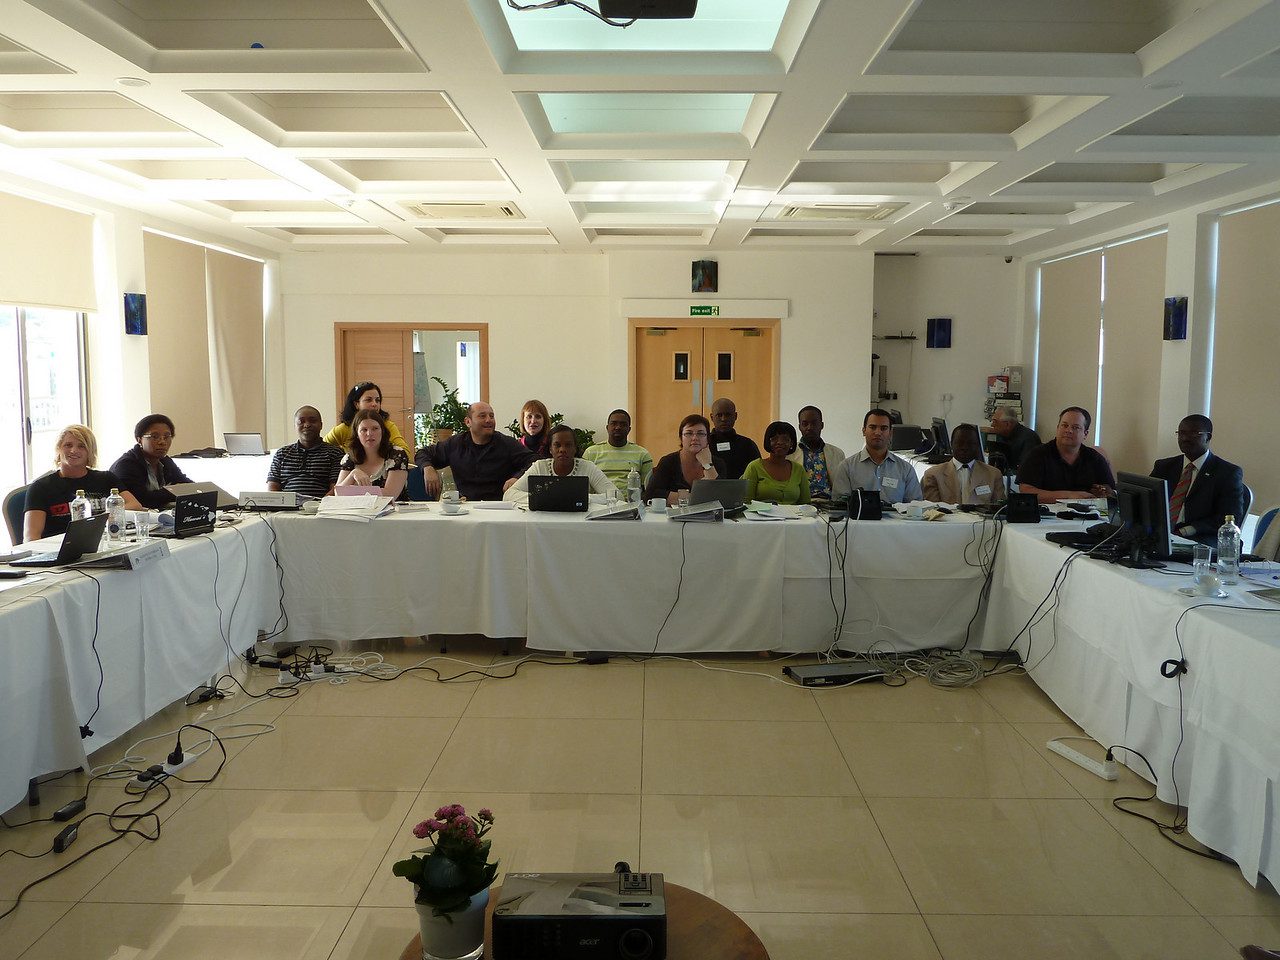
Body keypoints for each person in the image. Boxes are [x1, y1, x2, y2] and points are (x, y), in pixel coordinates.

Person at [23, 425, 143, 541]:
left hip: (103, 543)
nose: (74, 450)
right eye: (68, 445)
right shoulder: (40, 487)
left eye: (82, 446)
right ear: (58, 449)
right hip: (61, 551)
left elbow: (135, 506)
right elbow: (31, 537)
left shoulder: (106, 478)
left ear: (90, 452)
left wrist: (102, 518)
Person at [1150, 414, 1244, 546]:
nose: (1185, 438)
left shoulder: (1227, 473)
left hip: (1200, 537)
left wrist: (1186, 530)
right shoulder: (1164, 466)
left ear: (1208, 437)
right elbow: (1146, 499)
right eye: (1181, 433)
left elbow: (1229, 519)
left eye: (1194, 434)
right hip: (1160, 533)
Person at [415, 401, 535, 501]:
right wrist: (428, 468)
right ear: (468, 422)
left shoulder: (507, 443)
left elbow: (536, 461)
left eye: (491, 416)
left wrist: (518, 478)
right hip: (466, 507)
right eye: (482, 416)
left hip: (500, 507)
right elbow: (422, 453)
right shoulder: (455, 443)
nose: (488, 420)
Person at [1016, 406, 1115, 504]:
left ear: (1085, 434)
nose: (1069, 430)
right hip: (1046, 516)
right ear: (1058, 428)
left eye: (1075, 427)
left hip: (1087, 516)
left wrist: (1104, 492)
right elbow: (1026, 491)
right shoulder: (1037, 454)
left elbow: (1111, 491)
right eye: (1064, 425)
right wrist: (1069, 496)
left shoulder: (1095, 458)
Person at [504, 424, 614, 503]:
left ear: (575, 448)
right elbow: (509, 495)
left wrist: (581, 498)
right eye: (557, 445)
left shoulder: (588, 467)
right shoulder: (539, 467)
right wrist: (543, 497)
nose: (562, 449)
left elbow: (616, 495)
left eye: (568, 445)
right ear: (550, 449)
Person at [832, 409, 923, 504]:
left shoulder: (905, 469)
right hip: (860, 518)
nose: (878, 432)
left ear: (890, 433)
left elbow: (915, 505)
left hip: (896, 519)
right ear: (864, 431)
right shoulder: (847, 467)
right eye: (873, 427)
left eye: (883, 428)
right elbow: (839, 505)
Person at [110, 414, 194, 508]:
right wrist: (174, 491)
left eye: (166, 436)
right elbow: (141, 500)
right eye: (155, 436)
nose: (162, 442)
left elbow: (189, 486)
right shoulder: (126, 465)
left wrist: (177, 490)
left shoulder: (165, 461)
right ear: (139, 440)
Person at [644, 414, 728, 507]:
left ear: (707, 439)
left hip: (708, 519)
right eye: (689, 433)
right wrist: (694, 498)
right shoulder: (668, 461)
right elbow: (650, 495)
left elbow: (722, 498)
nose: (695, 438)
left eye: (700, 433)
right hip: (673, 519)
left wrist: (708, 465)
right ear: (681, 438)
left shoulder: (718, 463)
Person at [266, 405, 344, 499]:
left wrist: (318, 505)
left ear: (321, 425)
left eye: (312, 421)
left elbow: (336, 488)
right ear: (295, 426)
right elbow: (272, 489)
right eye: (301, 421)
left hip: (320, 508)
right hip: (286, 510)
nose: (307, 425)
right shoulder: (282, 453)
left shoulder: (335, 453)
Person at [922, 423, 1005, 505]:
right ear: (951, 445)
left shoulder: (993, 475)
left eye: (970, 443)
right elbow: (933, 511)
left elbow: (999, 511)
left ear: (977, 446)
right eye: (960, 443)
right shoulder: (934, 475)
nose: (965, 447)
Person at [323, 381, 411, 455]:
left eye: (377, 400)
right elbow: (322, 449)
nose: (375, 404)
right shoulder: (343, 429)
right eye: (368, 400)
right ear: (356, 404)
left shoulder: (387, 426)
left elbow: (405, 452)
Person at [337, 409, 409, 500]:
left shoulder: (397, 454)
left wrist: (352, 491)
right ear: (357, 434)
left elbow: (390, 495)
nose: (369, 434)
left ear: (382, 431)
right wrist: (352, 474)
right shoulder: (349, 457)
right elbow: (338, 494)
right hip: (358, 511)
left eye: (375, 428)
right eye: (364, 430)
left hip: (394, 511)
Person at [581, 409, 653, 493]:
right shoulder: (590, 453)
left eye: (623, 424)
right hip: (599, 504)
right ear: (607, 428)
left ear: (629, 429)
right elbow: (583, 487)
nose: (618, 427)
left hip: (631, 504)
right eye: (613, 423)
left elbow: (648, 488)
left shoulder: (643, 454)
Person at [743, 421, 811, 505]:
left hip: (794, 517)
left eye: (785, 439)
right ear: (768, 442)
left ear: (791, 444)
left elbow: (806, 504)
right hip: (761, 516)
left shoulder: (799, 470)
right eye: (774, 438)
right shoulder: (754, 467)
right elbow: (746, 502)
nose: (779, 442)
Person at [790, 405, 845, 500]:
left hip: (829, 506)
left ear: (822, 425)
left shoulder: (837, 453)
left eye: (814, 423)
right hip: (799, 506)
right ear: (799, 427)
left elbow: (842, 487)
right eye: (805, 424)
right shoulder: (790, 453)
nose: (809, 427)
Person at [708, 398, 761, 480]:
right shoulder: (704, 445)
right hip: (709, 491)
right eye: (719, 415)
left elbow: (758, 474)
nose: (723, 419)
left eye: (728, 415)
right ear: (712, 417)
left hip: (741, 491)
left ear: (735, 416)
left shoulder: (748, 445)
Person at [989, 405, 1040, 472]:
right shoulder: (1002, 436)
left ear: (1007, 424)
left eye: (995, 421)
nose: (992, 425)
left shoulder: (1029, 438)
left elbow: (1026, 470)